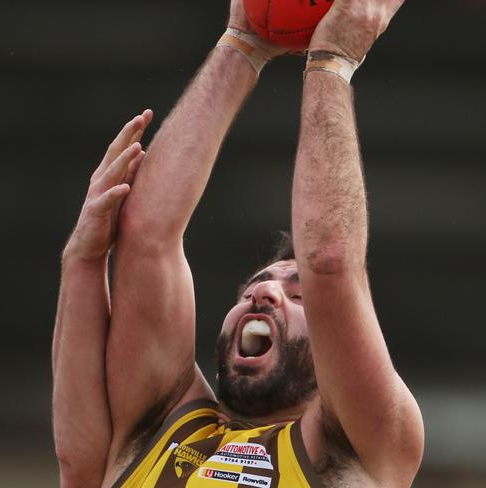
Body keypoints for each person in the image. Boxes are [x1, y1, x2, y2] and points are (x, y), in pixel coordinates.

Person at [52, 0, 424, 486]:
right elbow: (146, 235)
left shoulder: (358, 447)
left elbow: (329, 263)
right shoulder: (159, 430)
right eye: (252, 290)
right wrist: (241, 43)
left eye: (297, 296)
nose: (263, 294)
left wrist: (332, 61)